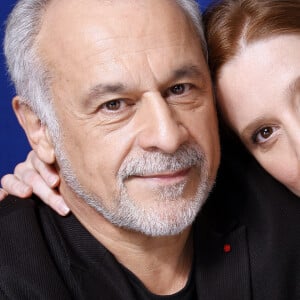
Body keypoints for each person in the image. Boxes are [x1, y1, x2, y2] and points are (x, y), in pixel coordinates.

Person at [1, 0, 300, 299]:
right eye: (113, 105)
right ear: (39, 128)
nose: (167, 136)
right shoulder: (13, 274)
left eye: (180, 88)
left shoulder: (279, 196)